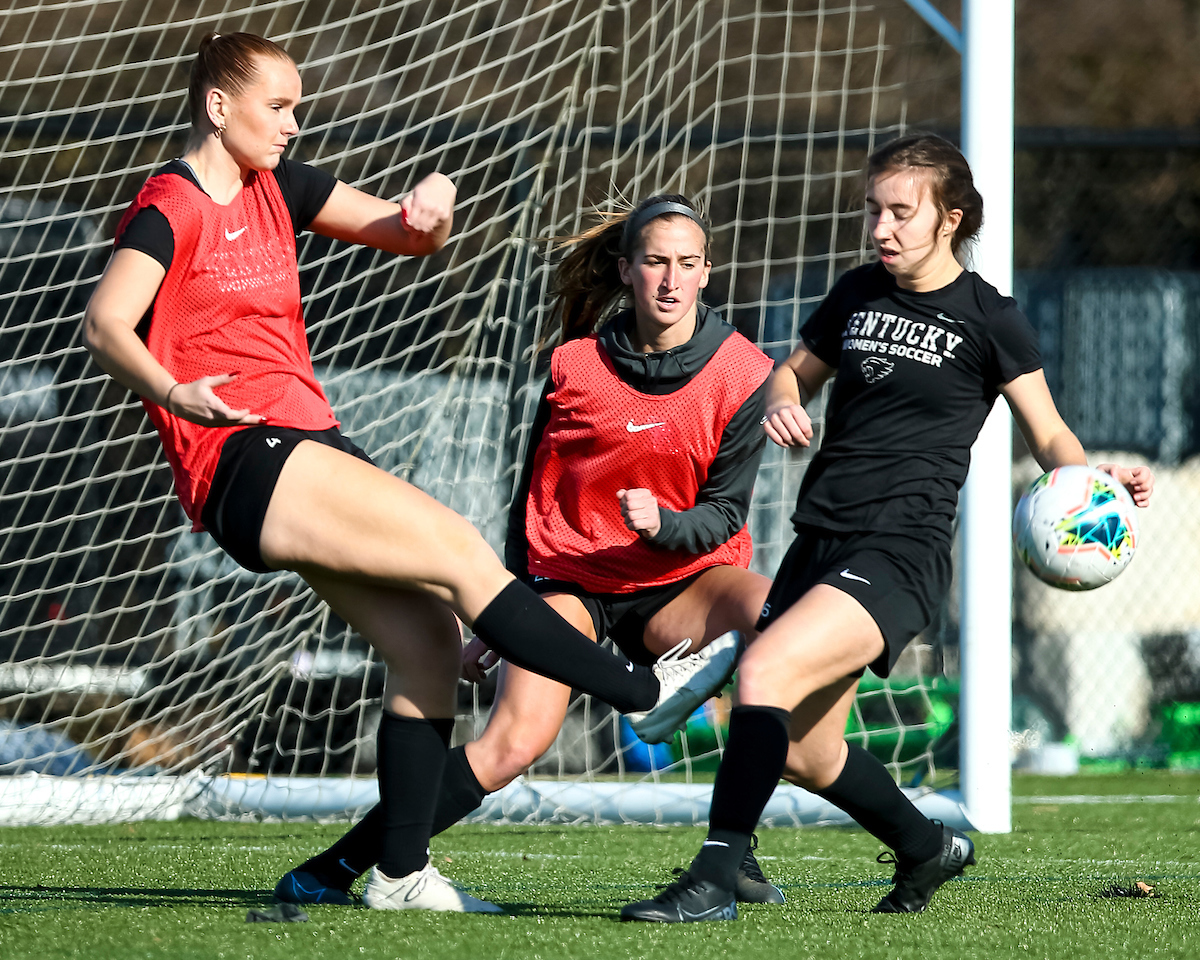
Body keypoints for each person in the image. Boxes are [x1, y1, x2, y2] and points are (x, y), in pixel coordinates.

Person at [80, 32, 737, 915]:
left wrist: (434, 207)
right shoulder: (172, 204)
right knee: (460, 549)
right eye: (277, 106)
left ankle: (396, 875)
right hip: (242, 452)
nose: (292, 123)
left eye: (298, 106)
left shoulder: (285, 188)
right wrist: (174, 391)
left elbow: (405, 234)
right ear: (217, 105)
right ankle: (642, 692)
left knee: (427, 644)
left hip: (303, 442)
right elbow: (106, 322)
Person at [619, 132, 1156, 923]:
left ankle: (712, 880)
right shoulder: (856, 293)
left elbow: (1047, 434)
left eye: (902, 212)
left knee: (762, 673)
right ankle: (924, 844)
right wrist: (783, 401)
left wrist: (1088, 479)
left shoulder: (989, 317)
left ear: (951, 218)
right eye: (874, 210)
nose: (882, 229)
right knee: (805, 751)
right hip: (820, 539)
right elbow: (790, 374)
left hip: (898, 552)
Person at [275, 194, 789, 907]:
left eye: (687, 264)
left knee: (779, 619)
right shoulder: (573, 364)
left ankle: (738, 851)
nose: (671, 280)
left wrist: (663, 527)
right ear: (625, 269)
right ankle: (334, 869)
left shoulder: (746, 372)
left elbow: (726, 512)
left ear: (708, 272)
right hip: (572, 584)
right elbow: (531, 498)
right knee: (511, 746)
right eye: (654, 263)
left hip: (684, 580)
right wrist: (503, 611)